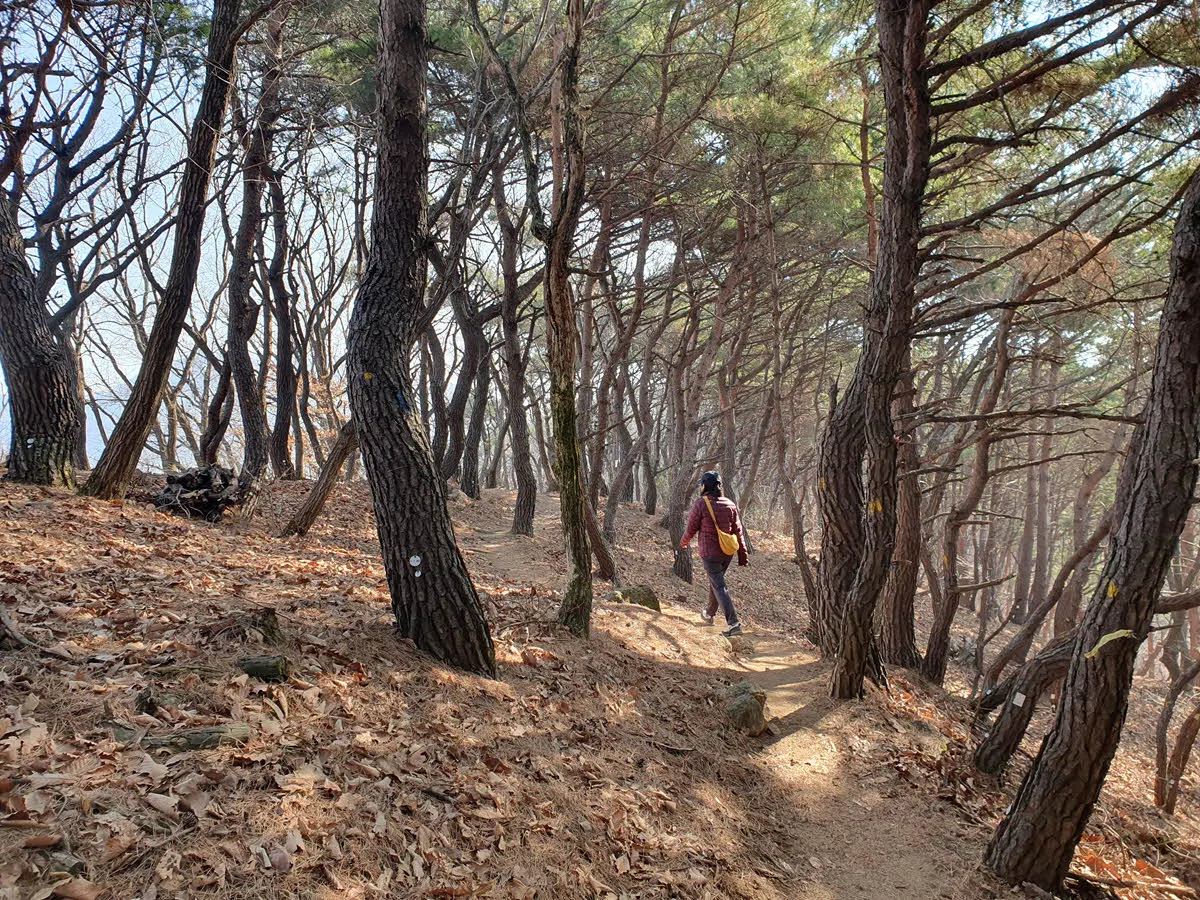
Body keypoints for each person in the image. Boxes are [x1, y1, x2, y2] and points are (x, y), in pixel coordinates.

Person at [679, 471, 748, 636]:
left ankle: (733, 624)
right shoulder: (730, 504)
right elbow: (739, 532)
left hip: (710, 553)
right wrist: (742, 554)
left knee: (719, 585)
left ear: (704, 486)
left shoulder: (701, 504)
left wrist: (683, 543)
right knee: (716, 583)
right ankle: (709, 614)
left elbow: (691, 529)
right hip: (727, 552)